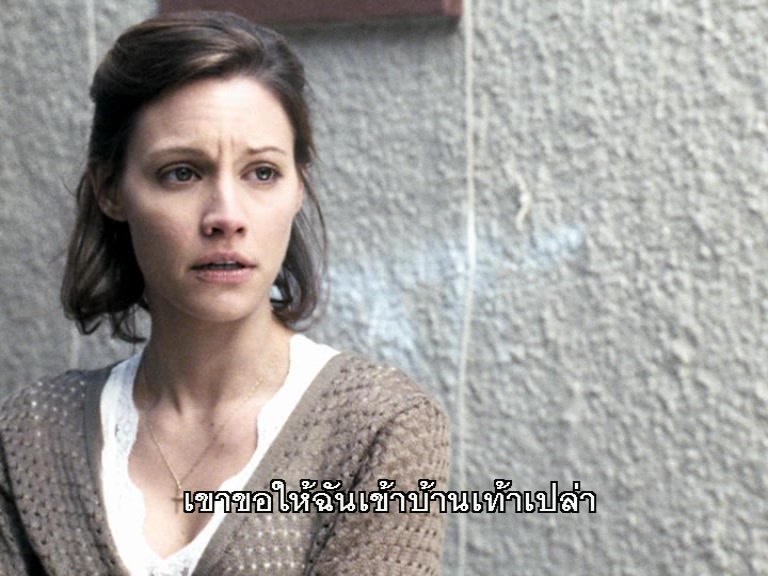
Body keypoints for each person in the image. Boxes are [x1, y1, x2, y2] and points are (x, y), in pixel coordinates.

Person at [0, 11, 449, 575]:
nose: (226, 216)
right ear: (111, 189)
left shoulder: (378, 428)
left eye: (261, 173)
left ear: (299, 187)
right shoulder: (33, 433)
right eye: (181, 173)